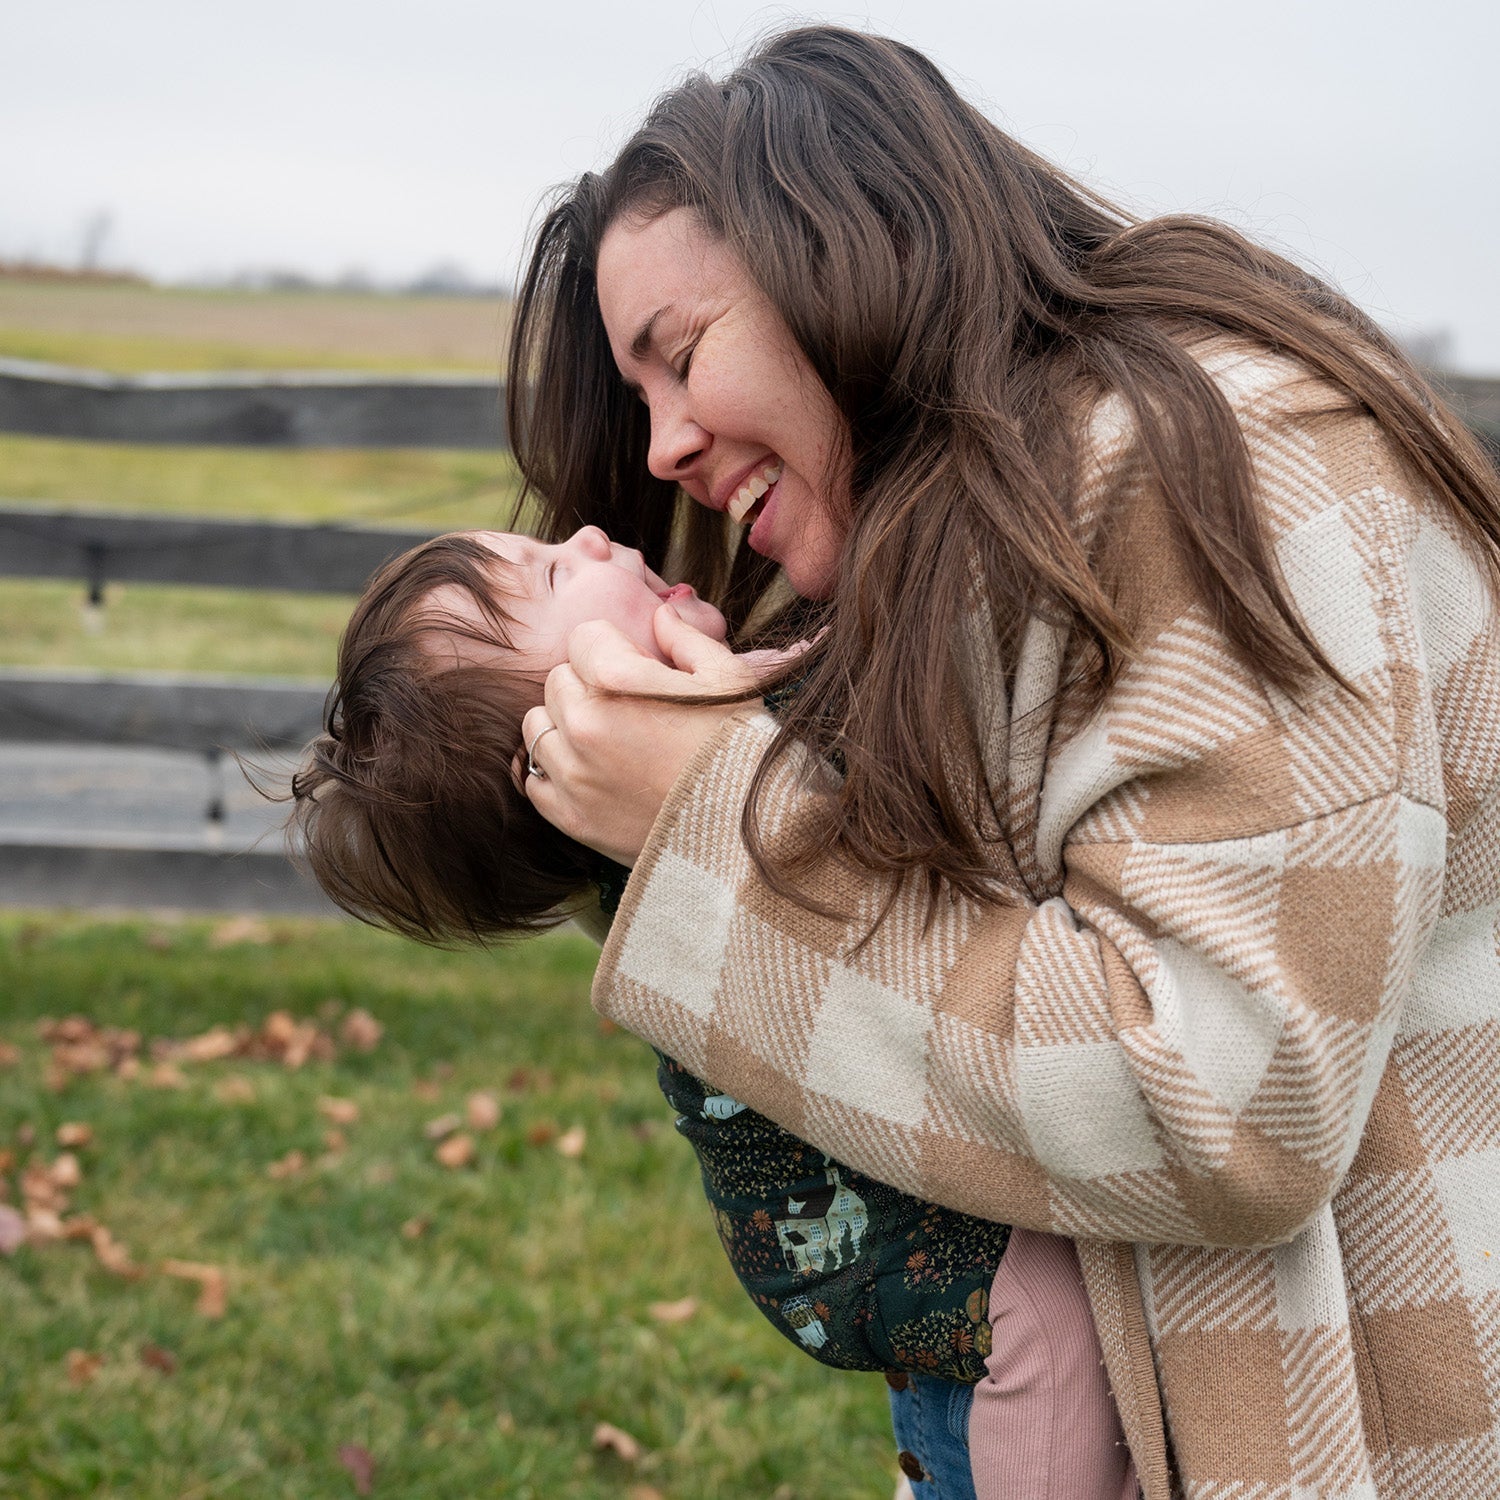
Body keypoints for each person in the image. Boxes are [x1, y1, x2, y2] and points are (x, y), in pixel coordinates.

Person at [500, 25, 1500, 1500]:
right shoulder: (1021, 525)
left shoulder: (1227, 468)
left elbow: (1229, 1105)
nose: (658, 452)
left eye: (680, 356)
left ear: (850, 248)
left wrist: (720, 829)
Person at [287, 525, 1137, 1499]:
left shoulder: (711, 743)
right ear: (572, 724)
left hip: (911, 1240)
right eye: (559, 571)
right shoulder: (672, 827)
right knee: (1049, 1323)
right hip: (893, 1259)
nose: (594, 535)